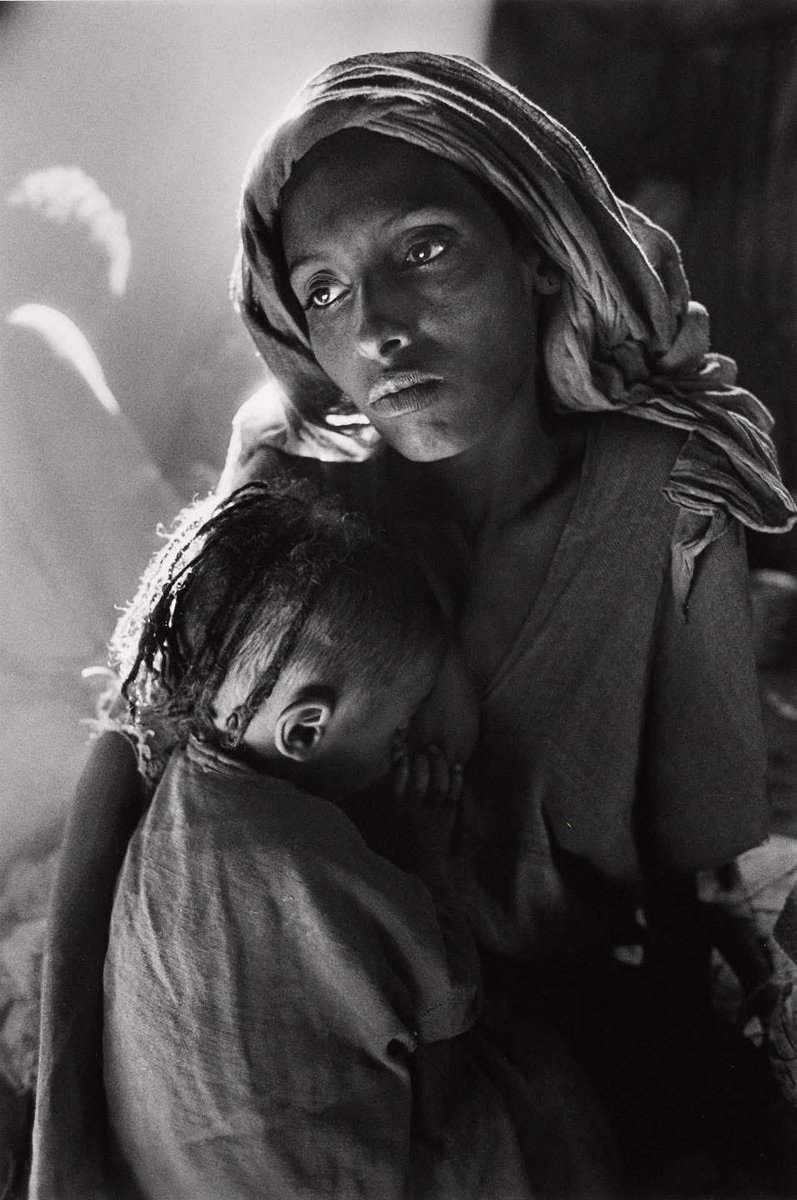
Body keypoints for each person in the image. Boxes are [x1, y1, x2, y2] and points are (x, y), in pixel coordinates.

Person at [30, 50, 797, 1198]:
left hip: (533, 1020)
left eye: (424, 249)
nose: (378, 325)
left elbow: (689, 861)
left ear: (538, 255)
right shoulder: (296, 479)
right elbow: (134, 746)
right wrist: (65, 1142)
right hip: (319, 1020)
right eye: (324, 290)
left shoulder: (666, 500)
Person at [101, 478, 609, 1200]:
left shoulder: (179, 802)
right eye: (397, 726)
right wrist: (421, 862)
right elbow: (444, 1034)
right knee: (538, 1088)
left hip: (175, 1179)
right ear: (304, 729)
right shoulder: (311, 863)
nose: (401, 749)